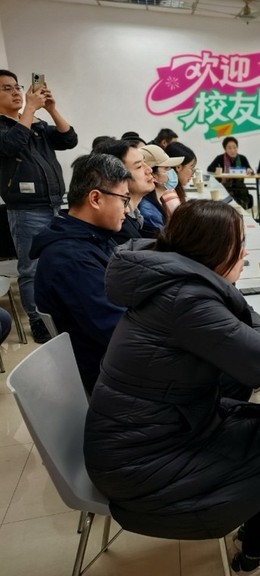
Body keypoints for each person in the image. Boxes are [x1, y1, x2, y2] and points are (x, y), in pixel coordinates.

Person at [84, 200, 260, 576]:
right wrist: (238, 301)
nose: (245, 254)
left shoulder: (170, 280)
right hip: (140, 460)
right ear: (215, 251)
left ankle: (259, 524)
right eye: (238, 245)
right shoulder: (187, 299)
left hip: (145, 431)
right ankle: (250, 566)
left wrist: (231, 299)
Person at [30, 154, 130, 392]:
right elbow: (120, 334)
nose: (127, 209)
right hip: (110, 376)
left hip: (113, 360)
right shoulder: (71, 259)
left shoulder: (90, 236)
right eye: (124, 200)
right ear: (95, 198)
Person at [0, 69, 78, 343]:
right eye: (7, 88)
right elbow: (10, 146)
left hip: (54, 203)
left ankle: (58, 313)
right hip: (26, 209)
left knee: (58, 262)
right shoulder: (6, 127)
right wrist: (30, 110)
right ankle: (37, 322)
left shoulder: (36, 124)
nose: (16, 92)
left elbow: (69, 140)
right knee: (32, 268)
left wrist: (51, 109)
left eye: (17, 87)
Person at [93, 139, 156, 245]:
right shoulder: (118, 229)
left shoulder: (135, 217)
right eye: (139, 166)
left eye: (145, 163)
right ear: (117, 175)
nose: (149, 169)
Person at [139, 144, 183, 237]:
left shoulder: (158, 199)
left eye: (171, 168)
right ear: (152, 174)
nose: (172, 172)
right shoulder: (149, 213)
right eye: (166, 168)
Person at [207, 136, 254, 209]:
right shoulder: (220, 158)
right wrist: (219, 170)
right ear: (225, 149)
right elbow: (209, 169)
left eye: (234, 147)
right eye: (229, 148)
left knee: (242, 200)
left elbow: (251, 171)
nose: (232, 150)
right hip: (225, 187)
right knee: (228, 205)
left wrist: (249, 171)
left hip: (240, 188)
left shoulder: (242, 158)